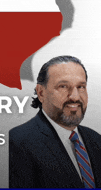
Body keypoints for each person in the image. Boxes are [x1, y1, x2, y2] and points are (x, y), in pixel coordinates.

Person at [9, 55, 101, 188]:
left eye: (81, 87)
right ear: (41, 93)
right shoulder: (17, 143)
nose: (75, 96)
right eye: (63, 86)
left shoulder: (96, 140)